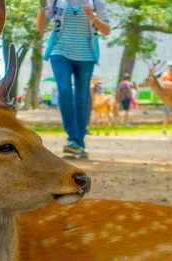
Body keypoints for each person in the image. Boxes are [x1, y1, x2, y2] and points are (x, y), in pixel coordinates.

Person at [36, 0, 111, 159]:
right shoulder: (56, 1)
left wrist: (93, 17)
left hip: (86, 55)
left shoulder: (96, 2)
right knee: (64, 91)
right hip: (60, 52)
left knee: (82, 99)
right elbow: (40, 26)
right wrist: (43, 6)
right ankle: (73, 138)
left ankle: (79, 142)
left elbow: (106, 30)